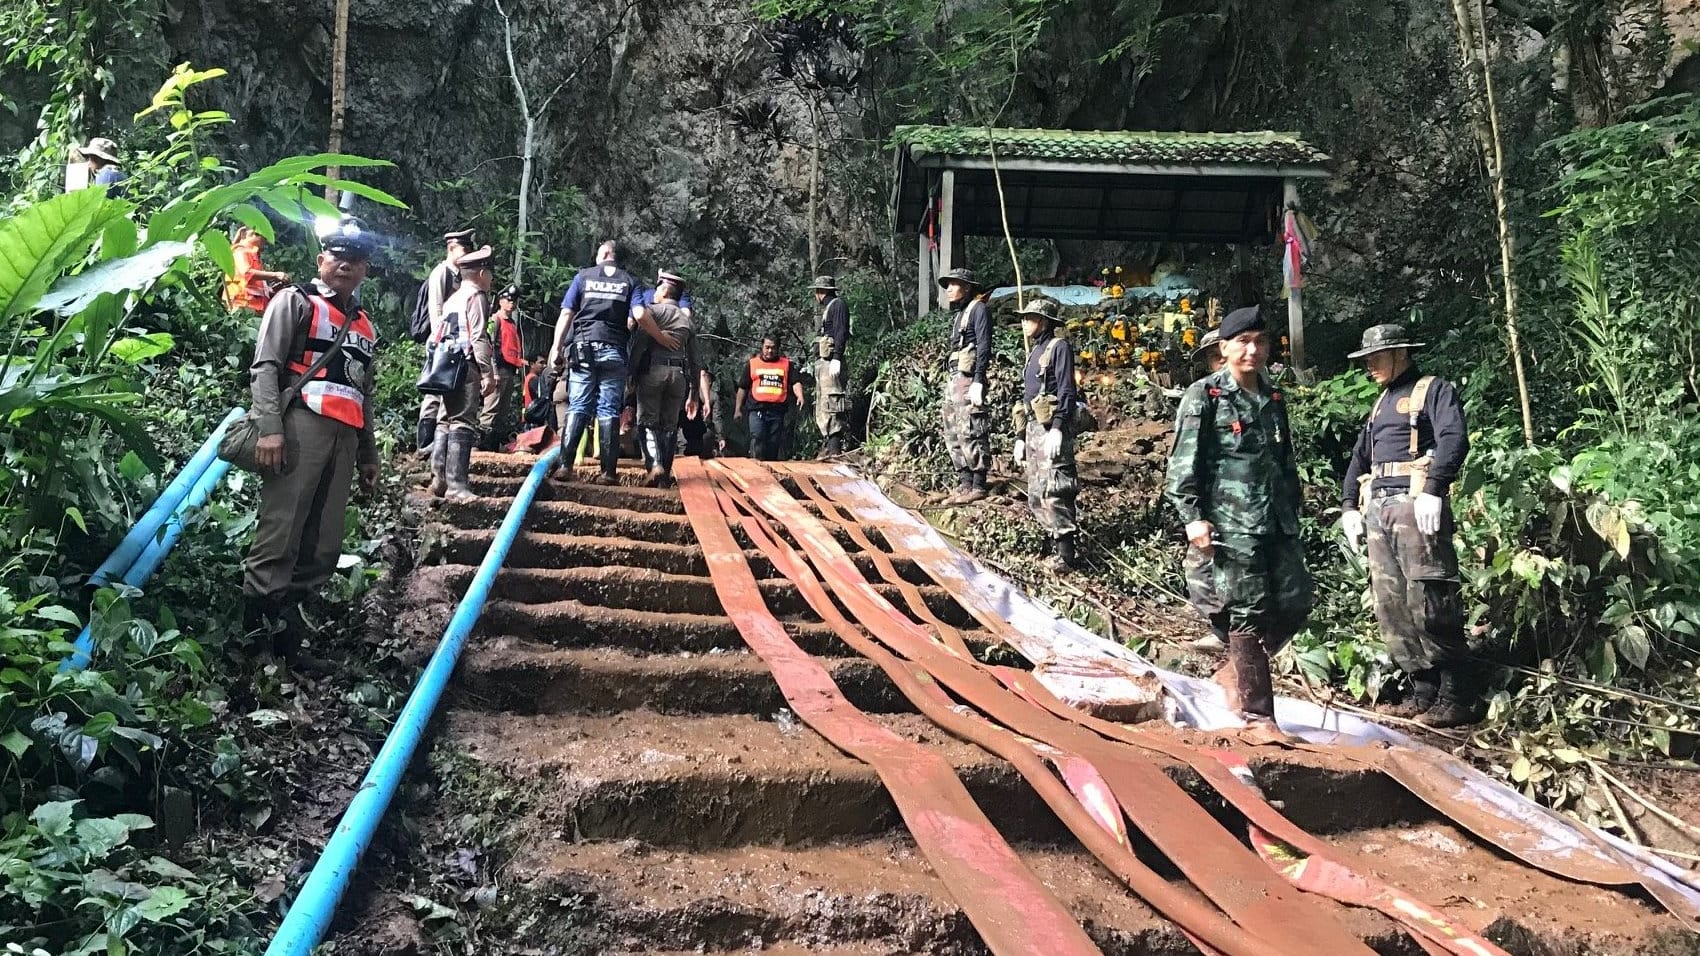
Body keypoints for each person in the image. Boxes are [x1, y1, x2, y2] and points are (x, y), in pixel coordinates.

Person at [241, 216, 380, 671]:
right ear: (322, 259)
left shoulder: (363, 324)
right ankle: (256, 645)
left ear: (364, 270)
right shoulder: (295, 301)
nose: (346, 265)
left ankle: (288, 642)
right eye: (338, 256)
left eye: (356, 259)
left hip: (343, 438)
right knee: (280, 534)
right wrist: (271, 429)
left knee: (323, 545)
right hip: (301, 426)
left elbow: (364, 391)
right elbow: (265, 367)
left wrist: (367, 455)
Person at [1164, 306, 1312, 724]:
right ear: (1225, 348)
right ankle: (1257, 716)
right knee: (1246, 609)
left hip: (1276, 520)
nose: (1253, 350)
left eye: (1260, 341)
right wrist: (1192, 516)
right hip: (1232, 524)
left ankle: (1235, 670)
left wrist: (1294, 509)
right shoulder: (1206, 395)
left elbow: (1284, 462)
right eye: (1243, 342)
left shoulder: (1273, 396)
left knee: (1297, 598)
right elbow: (1183, 463)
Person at [1340, 324, 1476, 728]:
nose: (1369, 366)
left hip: (1415, 505)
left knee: (1429, 595)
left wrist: (1435, 488)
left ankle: (1457, 694)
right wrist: (1349, 505)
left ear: (1401, 353)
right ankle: (1424, 689)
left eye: (1376, 357)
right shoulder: (1381, 402)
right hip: (1378, 507)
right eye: (1365, 359)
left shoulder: (1432, 389)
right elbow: (1360, 457)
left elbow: (1454, 438)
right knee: (1391, 602)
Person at [548, 240, 679, 484]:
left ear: (606, 254)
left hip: (583, 346)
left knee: (578, 406)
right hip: (614, 350)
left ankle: (565, 466)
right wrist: (660, 336)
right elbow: (639, 315)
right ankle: (608, 472)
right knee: (608, 409)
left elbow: (567, 313)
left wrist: (556, 348)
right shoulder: (630, 281)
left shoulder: (583, 277)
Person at [1011, 298, 1081, 569]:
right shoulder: (1035, 351)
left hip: (1050, 428)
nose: (1025, 322)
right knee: (1037, 491)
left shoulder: (1058, 347)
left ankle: (1066, 555)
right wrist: (1019, 437)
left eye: (1030, 317)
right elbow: (1026, 399)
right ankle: (1053, 543)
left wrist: (1058, 428)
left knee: (1056, 488)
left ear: (1044, 322)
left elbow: (1066, 390)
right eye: (1025, 317)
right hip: (1032, 428)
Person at [427, 245, 498, 502]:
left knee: (445, 419)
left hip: (446, 364)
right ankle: (457, 486)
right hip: (466, 365)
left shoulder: (453, 298)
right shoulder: (476, 297)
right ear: (480, 273)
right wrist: (487, 373)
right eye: (489, 273)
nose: (491, 279)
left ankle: (439, 479)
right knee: (463, 421)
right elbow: (478, 336)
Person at [629, 271, 706, 485]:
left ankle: (655, 465)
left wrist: (631, 374)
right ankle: (665, 476)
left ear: (663, 290)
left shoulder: (651, 313)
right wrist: (694, 393)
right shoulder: (686, 320)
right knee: (670, 425)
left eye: (657, 289)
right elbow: (695, 360)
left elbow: (638, 347)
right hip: (678, 376)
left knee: (647, 421)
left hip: (653, 372)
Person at [1182, 326, 1229, 652]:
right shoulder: (1204, 397)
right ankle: (1222, 626)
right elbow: (1186, 455)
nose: (1221, 363)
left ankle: (1232, 632)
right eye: (1215, 358)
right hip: (1213, 493)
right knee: (1202, 563)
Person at [937, 268, 993, 505]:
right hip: (954, 378)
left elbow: (983, 346)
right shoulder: (959, 315)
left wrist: (979, 381)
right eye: (947, 284)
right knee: (952, 429)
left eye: (954, 284)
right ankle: (965, 483)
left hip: (968, 379)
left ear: (968, 287)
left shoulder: (979, 309)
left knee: (971, 427)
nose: (949, 289)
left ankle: (979, 484)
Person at [417, 229, 475, 455]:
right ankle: (425, 444)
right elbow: (437, 309)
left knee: (447, 392)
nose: (467, 253)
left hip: (454, 343)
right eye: (464, 249)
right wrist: (439, 340)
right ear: (452, 249)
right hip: (441, 342)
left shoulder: (459, 276)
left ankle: (439, 445)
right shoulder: (442, 272)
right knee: (434, 393)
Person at [736, 335, 804, 461]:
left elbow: (795, 382)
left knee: (774, 443)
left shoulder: (786, 364)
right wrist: (737, 409)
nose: (770, 351)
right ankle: (757, 467)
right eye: (767, 347)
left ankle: (771, 469)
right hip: (757, 409)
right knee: (758, 437)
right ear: (762, 347)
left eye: (773, 348)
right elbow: (742, 388)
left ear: (778, 348)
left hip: (777, 411)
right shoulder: (752, 364)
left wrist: (800, 395)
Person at [480, 284, 527, 450]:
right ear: (500, 301)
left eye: (514, 300)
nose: (511, 303)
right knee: (491, 408)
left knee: (503, 411)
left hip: (509, 370)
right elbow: (489, 346)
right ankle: (482, 444)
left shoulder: (512, 323)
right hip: (498, 370)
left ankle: (494, 445)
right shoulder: (495, 320)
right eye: (508, 300)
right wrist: (493, 372)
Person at [812, 275, 852, 457]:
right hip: (824, 363)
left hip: (831, 363)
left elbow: (840, 331)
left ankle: (835, 450)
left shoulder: (837, 305)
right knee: (823, 403)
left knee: (833, 403)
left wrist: (837, 357)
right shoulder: (829, 308)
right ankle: (828, 445)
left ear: (820, 293)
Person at [224, 227, 290, 313]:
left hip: (255, 307)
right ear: (244, 235)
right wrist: (276, 275)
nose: (263, 239)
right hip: (243, 306)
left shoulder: (254, 255)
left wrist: (270, 290)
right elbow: (246, 273)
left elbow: (253, 284)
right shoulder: (240, 250)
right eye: (257, 234)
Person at [681, 368, 723, 459]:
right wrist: (720, 437)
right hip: (704, 434)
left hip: (685, 433)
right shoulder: (713, 396)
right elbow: (717, 418)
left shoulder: (685, 392)